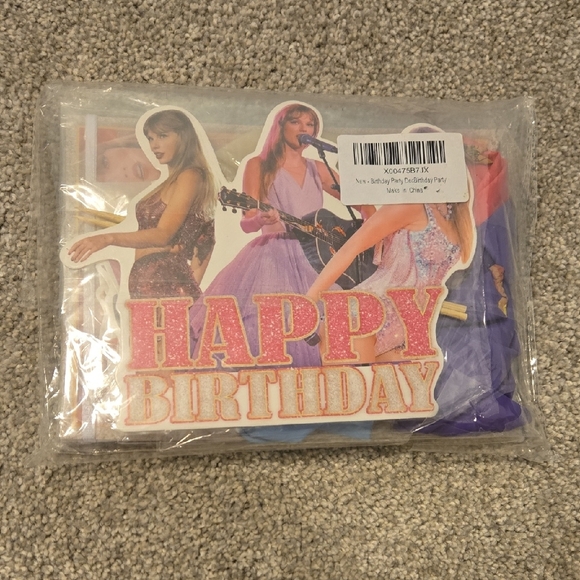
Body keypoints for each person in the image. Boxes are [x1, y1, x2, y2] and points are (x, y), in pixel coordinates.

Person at [190, 102, 373, 367]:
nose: (303, 129)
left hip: (318, 256)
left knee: (328, 323)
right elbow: (247, 222)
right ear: (281, 126)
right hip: (274, 257)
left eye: (309, 124)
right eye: (295, 122)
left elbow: (364, 203)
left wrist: (366, 234)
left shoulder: (318, 168)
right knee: (275, 322)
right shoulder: (259, 165)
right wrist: (260, 218)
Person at [306, 125, 475, 364]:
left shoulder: (455, 217)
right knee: (359, 389)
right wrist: (308, 304)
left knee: (401, 389)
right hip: (362, 316)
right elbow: (349, 249)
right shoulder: (410, 205)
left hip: (404, 325)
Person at [68, 109, 216, 301]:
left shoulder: (191, 176)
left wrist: (108, 238)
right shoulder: (172, 180)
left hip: (166, 284)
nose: (154, 145)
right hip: (150, 283)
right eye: (150, 138)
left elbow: (164, 235)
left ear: (183, 136)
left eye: (162, 136)